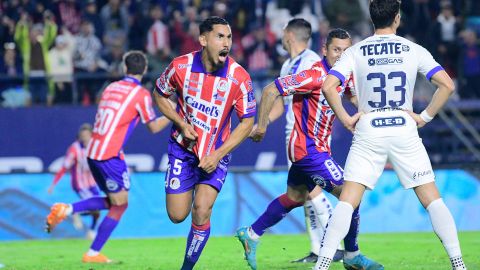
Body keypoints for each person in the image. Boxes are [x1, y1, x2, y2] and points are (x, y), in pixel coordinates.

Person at [314, 1, 467, 269]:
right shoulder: (412, 49)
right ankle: (458, 264)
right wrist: (424, 116)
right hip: (402, 126)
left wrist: (346, 118)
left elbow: (328, 86)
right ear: (397, 18)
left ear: (372, 19)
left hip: (369, 127)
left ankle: (322, 264)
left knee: (348, 200)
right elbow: (446, 85)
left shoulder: (356, 50)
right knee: (432, 199)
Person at [237, 29, 383, 270]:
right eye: (336, 50)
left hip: (315, 150)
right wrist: (261, 126)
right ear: (324, 50)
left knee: (294, 198)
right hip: (308, 150)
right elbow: (271, 90)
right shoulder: (314, 75)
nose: (341, 55)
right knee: (351, 195)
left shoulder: (343, 76)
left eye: (347, 51)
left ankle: (251, 234)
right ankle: (351, 255)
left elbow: (353, 97)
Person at [45, 51, 170, 263]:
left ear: (124, 68)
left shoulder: (110, 88)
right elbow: (154, 127)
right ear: (145, 69)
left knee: (116, 203)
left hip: (92, 152)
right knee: (120, 205)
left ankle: (81, 232)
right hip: (109, 155)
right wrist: (171, 113)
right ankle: (71, 218)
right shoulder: (140, 94)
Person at [153, 16, 255, 270]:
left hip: (215, 154)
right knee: (177, 216)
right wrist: (180, 122)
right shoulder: (180, 67)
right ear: (203, 40)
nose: (226, 42)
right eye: (220, 36)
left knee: (202, 209)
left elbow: (246, 122)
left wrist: (218, 154)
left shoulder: (239, 77)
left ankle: (186, 268)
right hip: (182, 151)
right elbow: (159, 94)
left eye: (229, 37)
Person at [262, 18, 342, 264]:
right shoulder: (288, 64)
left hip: (308, 136)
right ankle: (318, 248)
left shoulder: (310, 62)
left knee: (313, 190)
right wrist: (261, 123)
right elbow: (282, 102)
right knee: (306, 194)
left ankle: (334, 245)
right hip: (292, 134)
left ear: (289, 34)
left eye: (282, 32)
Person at [48, 123, 100, 239]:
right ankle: (76, 212)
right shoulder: (75, 148)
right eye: (83, 135)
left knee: (99, 207)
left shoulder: (95, 146)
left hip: (92, 183)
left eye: (87, 135)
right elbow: (64, 167)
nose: (85, 138)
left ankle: (91, 230)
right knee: (94, 205)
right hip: (80, 184)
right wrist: (53, 184)